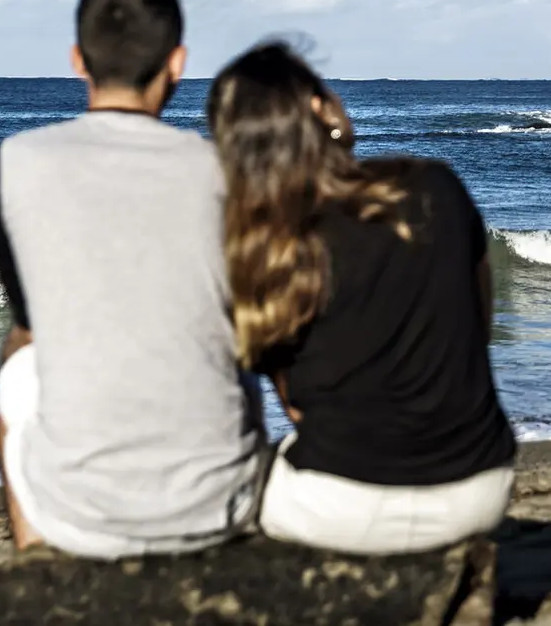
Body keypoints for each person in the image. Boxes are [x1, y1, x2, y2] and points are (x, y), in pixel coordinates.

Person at [0, 0, 266, 558]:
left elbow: (33, 320)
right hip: (221, 506)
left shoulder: (15, 161)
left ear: (77, 60)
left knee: (19, 357)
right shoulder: (223, 169)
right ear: (177, 63)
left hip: (76, 520)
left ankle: (32, 551)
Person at [206, 41, 516, 555]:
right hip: (479, 488)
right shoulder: (433, 187)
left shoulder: (263, 250)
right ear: (316, 109)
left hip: (338, 508)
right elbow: (476, 333)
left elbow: (296, 408)